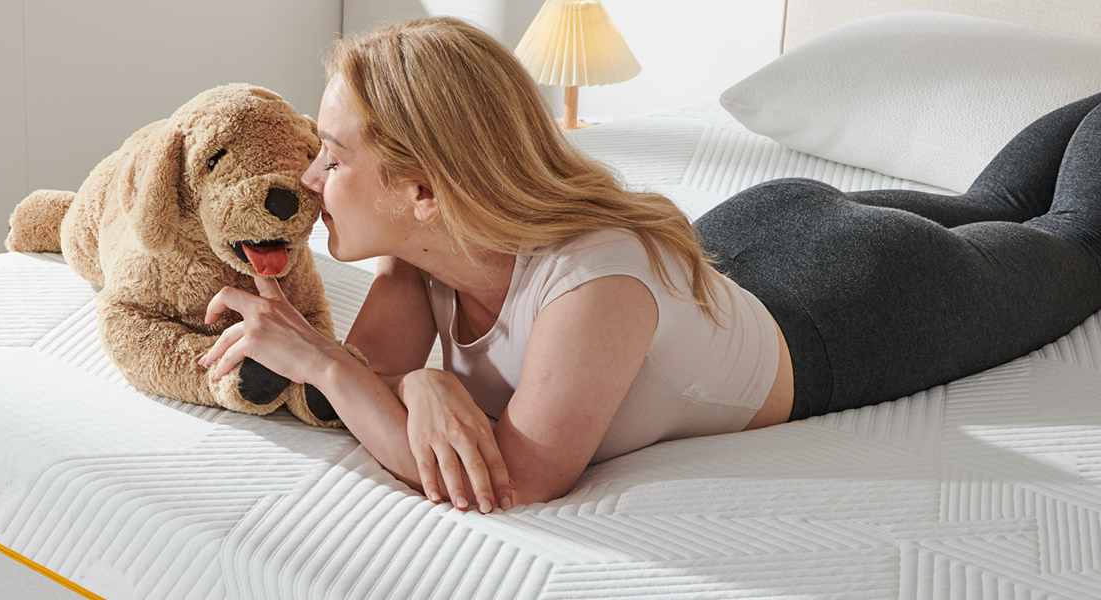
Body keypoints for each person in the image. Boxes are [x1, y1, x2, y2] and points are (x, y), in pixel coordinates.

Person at [195, 16, 1101, 514]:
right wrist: (429, 389)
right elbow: (382, 389)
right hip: (749, 235)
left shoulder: (595, 285)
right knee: (996, 211)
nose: (310, 180)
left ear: (425, 190)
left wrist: (329, 360)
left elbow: (510, 477)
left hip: (858, 300)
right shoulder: (419, 263)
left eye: (333, 155)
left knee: (1069, 240)